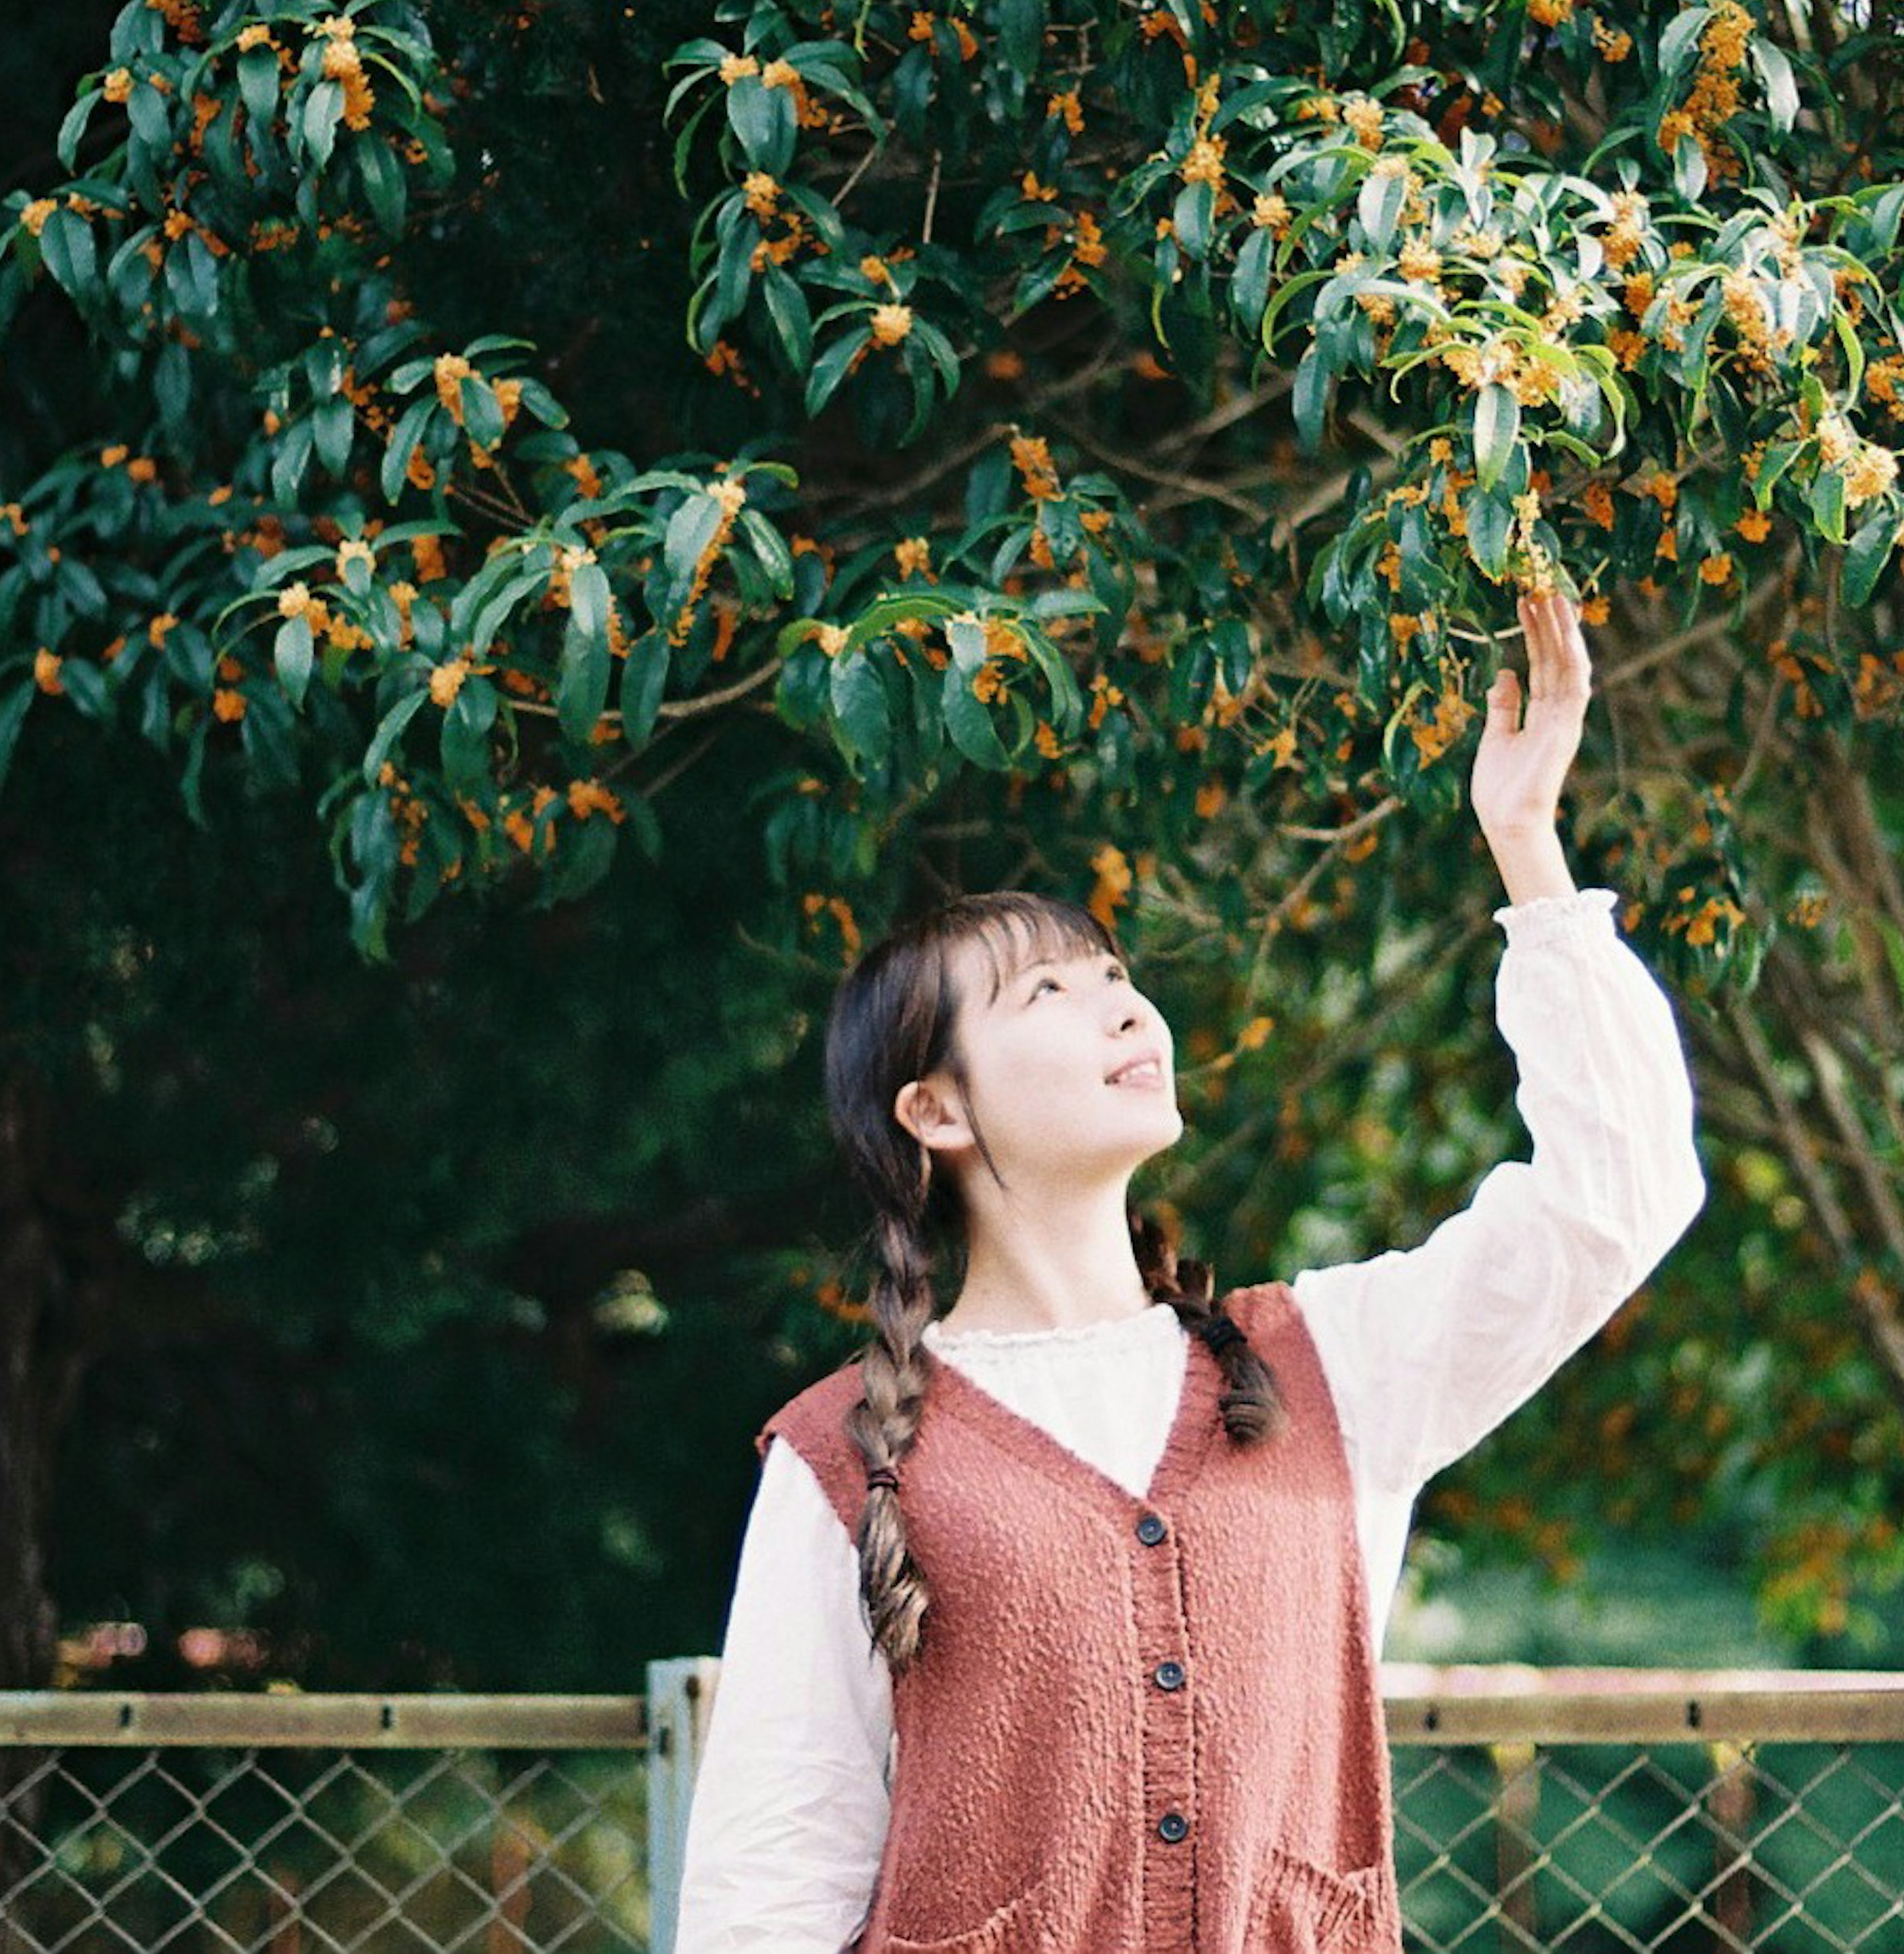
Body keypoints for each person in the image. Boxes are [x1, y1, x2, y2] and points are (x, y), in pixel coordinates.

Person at [672, 583, 1706, 1952]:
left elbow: (1616, 1198)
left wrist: (1527, 846)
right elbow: (769, 1888)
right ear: (937, 1110)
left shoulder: (1328, 1369)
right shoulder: (841, 1458)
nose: (1121, 1002)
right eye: (1046, 990)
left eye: (1116, 975)